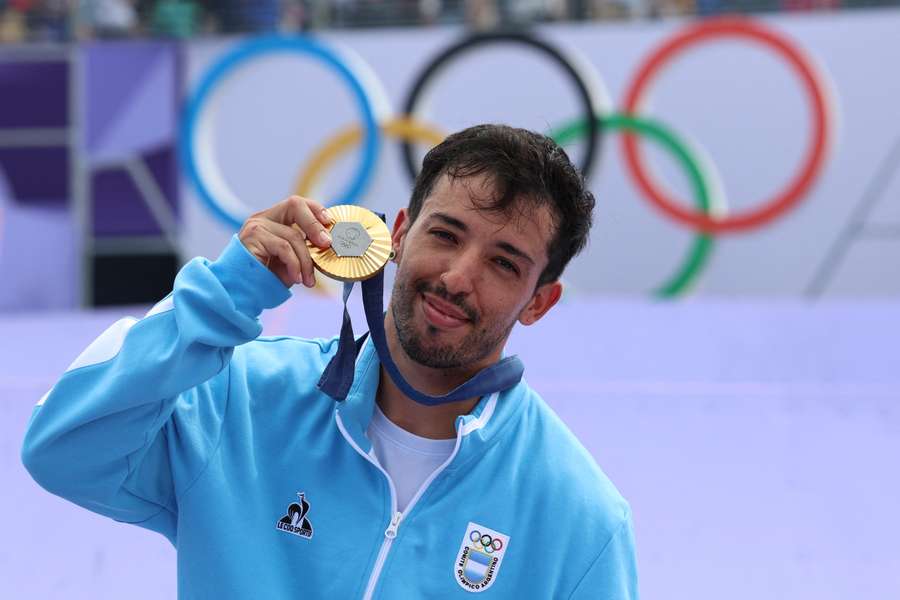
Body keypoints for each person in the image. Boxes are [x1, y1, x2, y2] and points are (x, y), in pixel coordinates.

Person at [22, 124, 639, 598]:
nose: (456, 277)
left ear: (541, 301)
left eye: (504, 263)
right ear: (398, 234)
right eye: (445, 234)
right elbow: (61, 448)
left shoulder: (578, 518)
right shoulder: (238, 399)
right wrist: (223, 297)